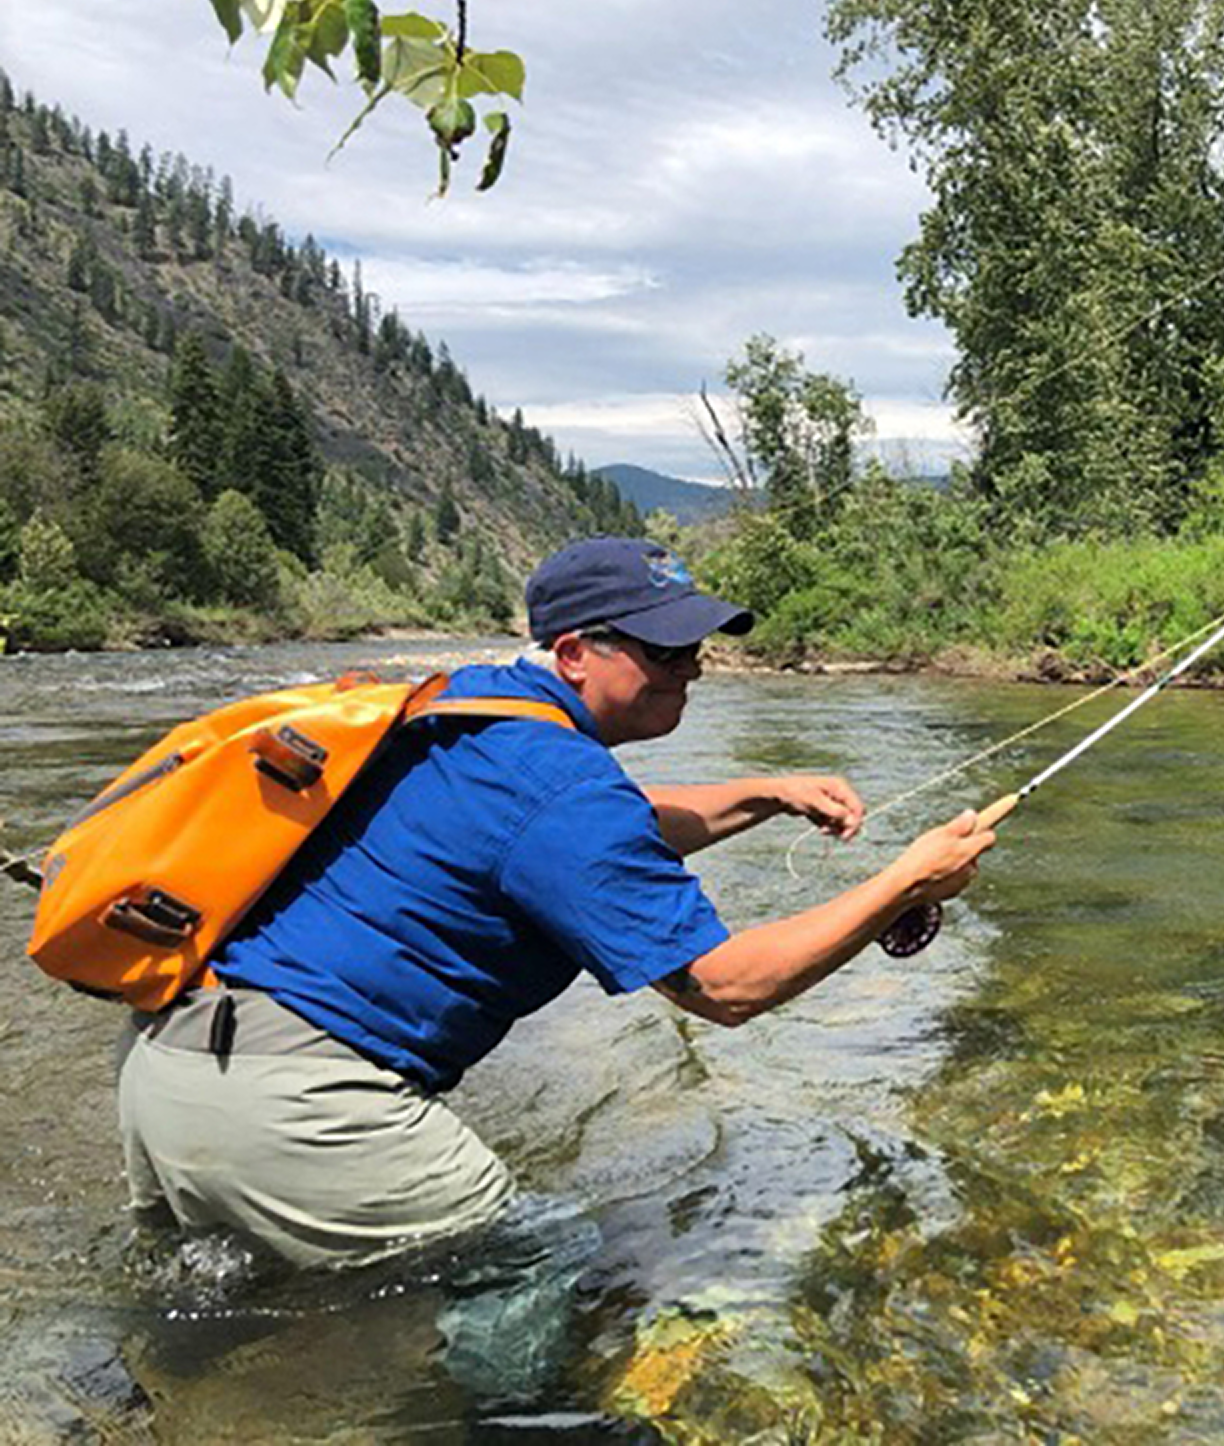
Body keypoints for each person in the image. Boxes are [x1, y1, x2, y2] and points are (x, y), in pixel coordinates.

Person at [115, 536, 996, 1271]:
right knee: (537, 1271)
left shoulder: (464, 709)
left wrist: (763, 793)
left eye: (695, 649)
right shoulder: (560, 786)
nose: (690, 670)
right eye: (662, 651)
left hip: (170, 1069)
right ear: (575, 653)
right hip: (303, 1109)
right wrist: (905, 882)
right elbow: (726, 988)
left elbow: (559, 840)